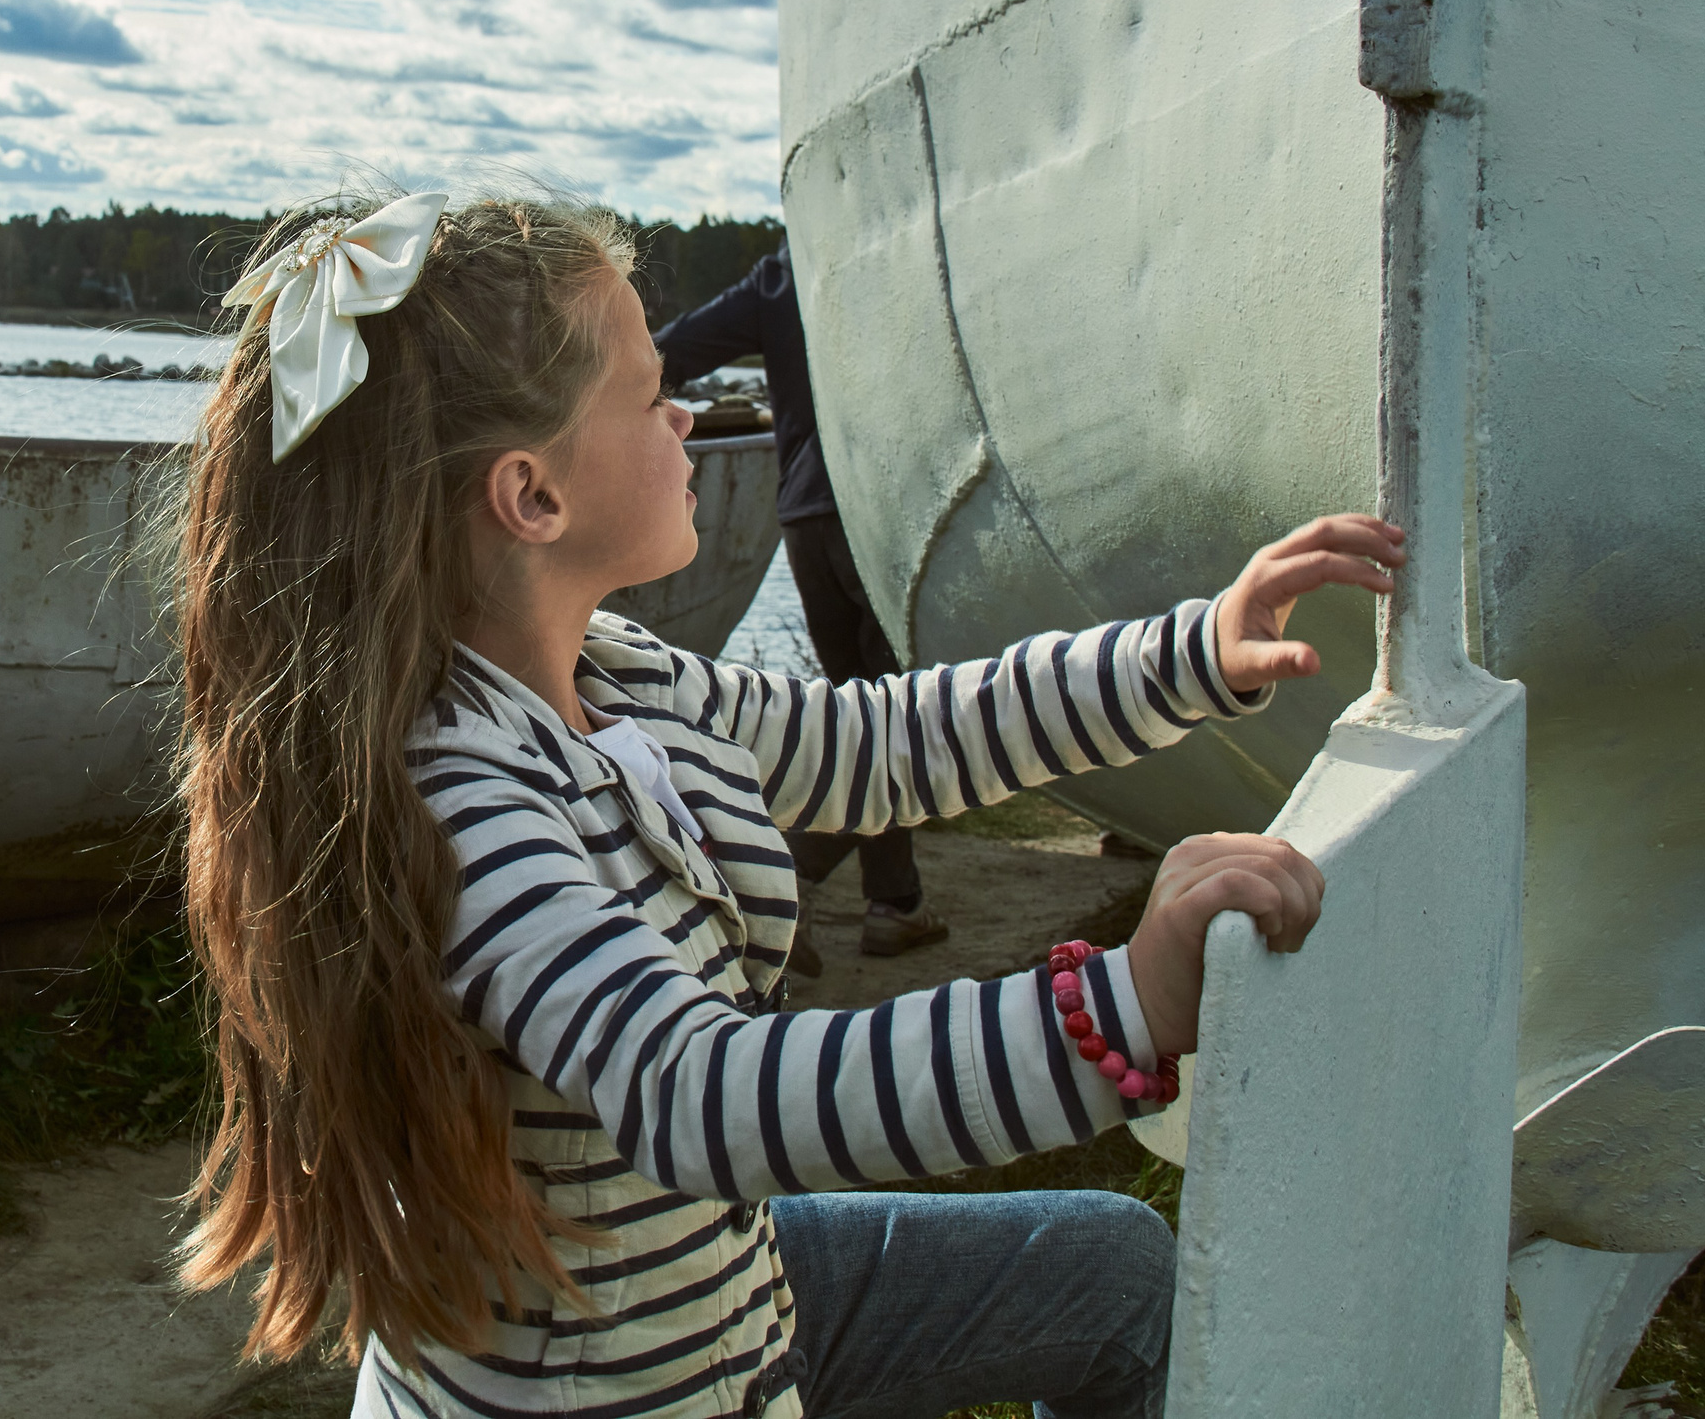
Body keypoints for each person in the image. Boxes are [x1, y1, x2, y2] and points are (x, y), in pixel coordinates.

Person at [172, 187, 1399, 1419]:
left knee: (1116, 1274)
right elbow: (699, 1094)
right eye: (650, 393)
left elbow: (883, 741)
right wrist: (1121, 1004)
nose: (687, 411)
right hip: (613, 1386)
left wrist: (1193, 652)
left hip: (718, 1284)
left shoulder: (623, 676)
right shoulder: (456, 795)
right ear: (531, 496)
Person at [651, 242, 943, 967]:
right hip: (888, 519)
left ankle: (894, 903)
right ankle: (783, 871)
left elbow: (669, 353)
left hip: (809, 516)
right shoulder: (907, 239)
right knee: (899, 719)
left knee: (862, 705)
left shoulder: (790, 266)